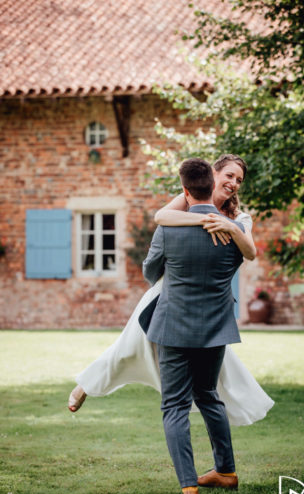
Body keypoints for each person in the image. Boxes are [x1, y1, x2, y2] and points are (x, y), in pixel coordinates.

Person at [68, 154, 273, 428]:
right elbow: (161, 217)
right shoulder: (188, 200)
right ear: (214, 174)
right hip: (167, 293)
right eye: (229, 176)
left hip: (210, 302)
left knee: (223, 366)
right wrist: (202, 220)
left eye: (239, 180)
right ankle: (87, 385)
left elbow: (250, 252)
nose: (234, 183)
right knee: (127, 347)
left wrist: (230, 227)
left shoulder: (239, 218)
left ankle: (227, 406)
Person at [142, 157, 248, 494]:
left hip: (173, 326)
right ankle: (227, 471)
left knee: (174, 405)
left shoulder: (169, 228)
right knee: (208, 396)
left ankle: (188, 484)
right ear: (213, 183)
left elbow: (149, 273)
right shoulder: (233, 229)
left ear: (185, 191)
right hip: (216, 327)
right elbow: (245, 257)